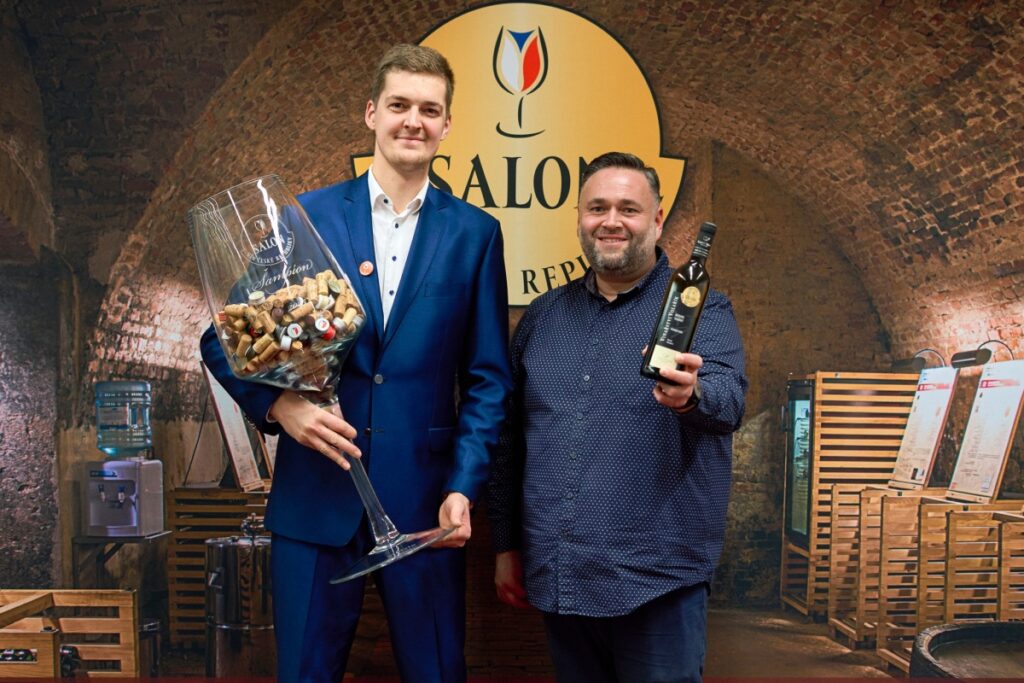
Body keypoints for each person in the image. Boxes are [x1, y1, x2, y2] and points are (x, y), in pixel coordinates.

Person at [201, 44, 512, 683]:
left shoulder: (475, 234)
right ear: (372, 113)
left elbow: (487, 381)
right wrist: (279, 406)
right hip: (314, 501)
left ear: (447, 124)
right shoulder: (305, 216)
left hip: (426, 508)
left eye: (429, 110)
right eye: (399, 105)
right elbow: (221, 339)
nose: (413, 121)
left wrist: (462, 487)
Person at [487, 151, 747, 683]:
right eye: (597, 208)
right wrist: (505, 544)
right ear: (579, 218)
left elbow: (728, 399)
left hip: (659, 581)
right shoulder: (543, 316)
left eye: (628, 209)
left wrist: (692, 395)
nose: (611, 221)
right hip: (562, 573)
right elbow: (510, 441)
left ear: (657, 220)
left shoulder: (702, 310)